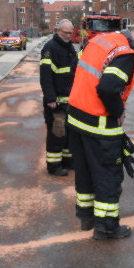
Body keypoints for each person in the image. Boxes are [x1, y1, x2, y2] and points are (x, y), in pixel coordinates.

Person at [67, 25, 134, 240]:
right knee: (108, 177)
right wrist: (118, 111)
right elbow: (108, 87)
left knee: (85, 172)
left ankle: (86, 217)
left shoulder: (100, 41)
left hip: (77, 118)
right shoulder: (124, 53)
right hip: (99, 124)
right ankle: (106, 227)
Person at [40, 19, 78, 176]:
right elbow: (46, 75)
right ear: (57, 30)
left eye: (71, 32)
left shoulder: (69, 48)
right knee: (57, 134)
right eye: (65, 32)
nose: (69, 35)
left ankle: (67, 162)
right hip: (55, 103)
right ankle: (54, 166)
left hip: (69, 101)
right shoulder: (50, 48)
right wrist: (50, 98)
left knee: (68, 135)